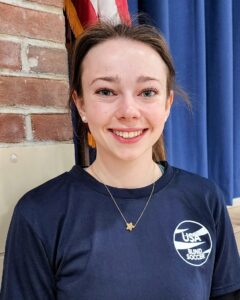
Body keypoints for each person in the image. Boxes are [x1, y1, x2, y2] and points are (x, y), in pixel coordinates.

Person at [1, 21, 240, 300]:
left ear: (166, 104)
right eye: (106, 91)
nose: (128, 111)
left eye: (147, 92)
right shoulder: (39, 213)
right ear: (81, 105)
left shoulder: (204, 197)